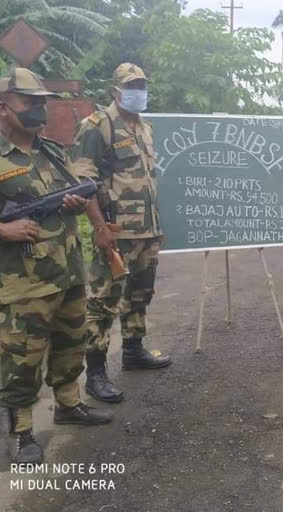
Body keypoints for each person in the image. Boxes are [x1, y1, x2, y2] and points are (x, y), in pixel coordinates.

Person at [0, 68, 113, 463]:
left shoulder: (51, 150)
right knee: (22, 359)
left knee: (71, 344)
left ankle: (68, 404)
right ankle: (22, 432)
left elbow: (74, 194)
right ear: (4, 108)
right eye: (29, 102)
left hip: (66, 270)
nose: (39, 109)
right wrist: (5, 230)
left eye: (42, 102)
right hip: (23, 283)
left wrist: (77, 203)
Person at [71, 63, 171, 404]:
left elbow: (147, 183)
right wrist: (99, 228)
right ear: (115, 90)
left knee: (141, 294)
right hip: (115, 232)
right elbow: (84, 182)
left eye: (142, 85)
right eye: (131, 85)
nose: (138, 91)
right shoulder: (97, 126)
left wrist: (157, 227)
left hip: (146, 230)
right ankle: (96, 374)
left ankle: (133, 351)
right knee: (103, 302)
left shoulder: (145, 128)